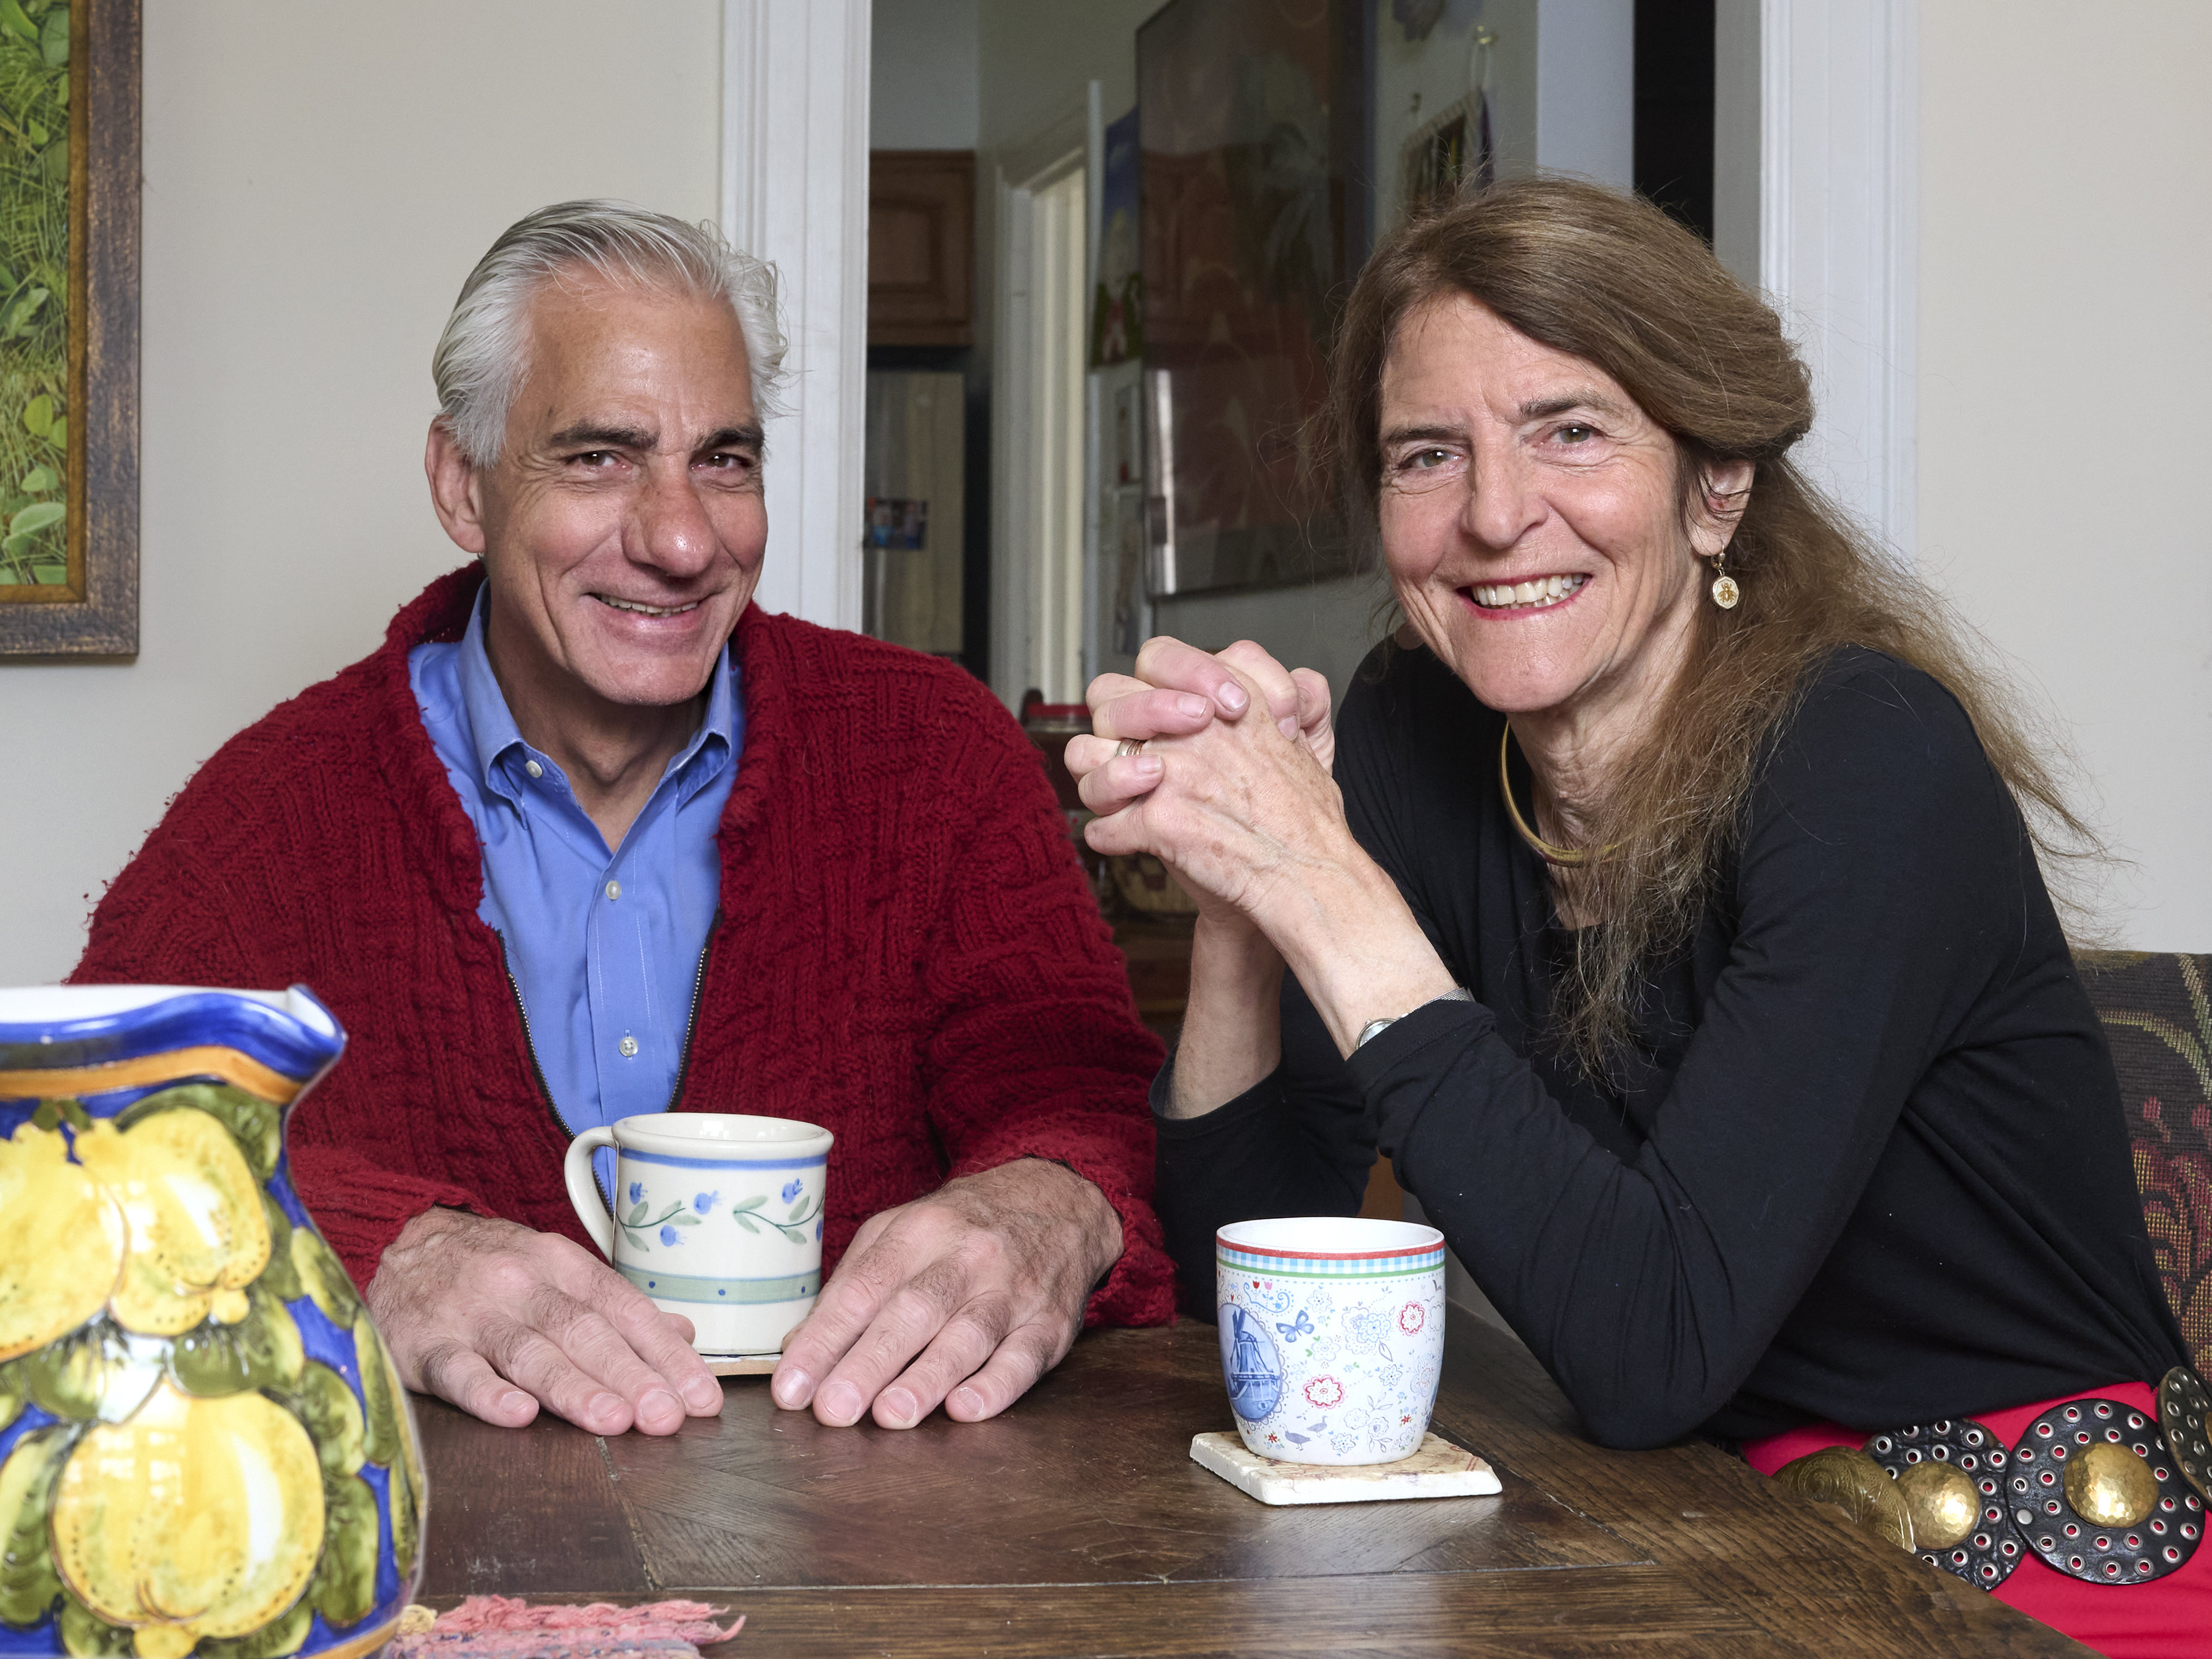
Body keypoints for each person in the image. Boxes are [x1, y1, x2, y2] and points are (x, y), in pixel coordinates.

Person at [1065, 178, 2203, 1655]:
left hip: (2044, 1589)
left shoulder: (1869, 756)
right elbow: (1253, 1294)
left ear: (1714, 480)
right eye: (1428, 454)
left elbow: (1654, 1340)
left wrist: (1326, 884)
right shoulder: (1423, 729)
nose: (1489, 513)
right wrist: (1238, 896)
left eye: (1571, 429)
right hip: (1699, 1559)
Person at [73, 200, 1173, 1443]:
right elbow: (85, 1157)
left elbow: (1076, 1096)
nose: (683, 537)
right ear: (461, 482)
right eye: (599, 456)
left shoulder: (939, 754)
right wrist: (377, 1249)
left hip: (874, 1565)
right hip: (432, 1574)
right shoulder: (271, 810)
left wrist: (1044, 1205)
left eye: (725, 458)